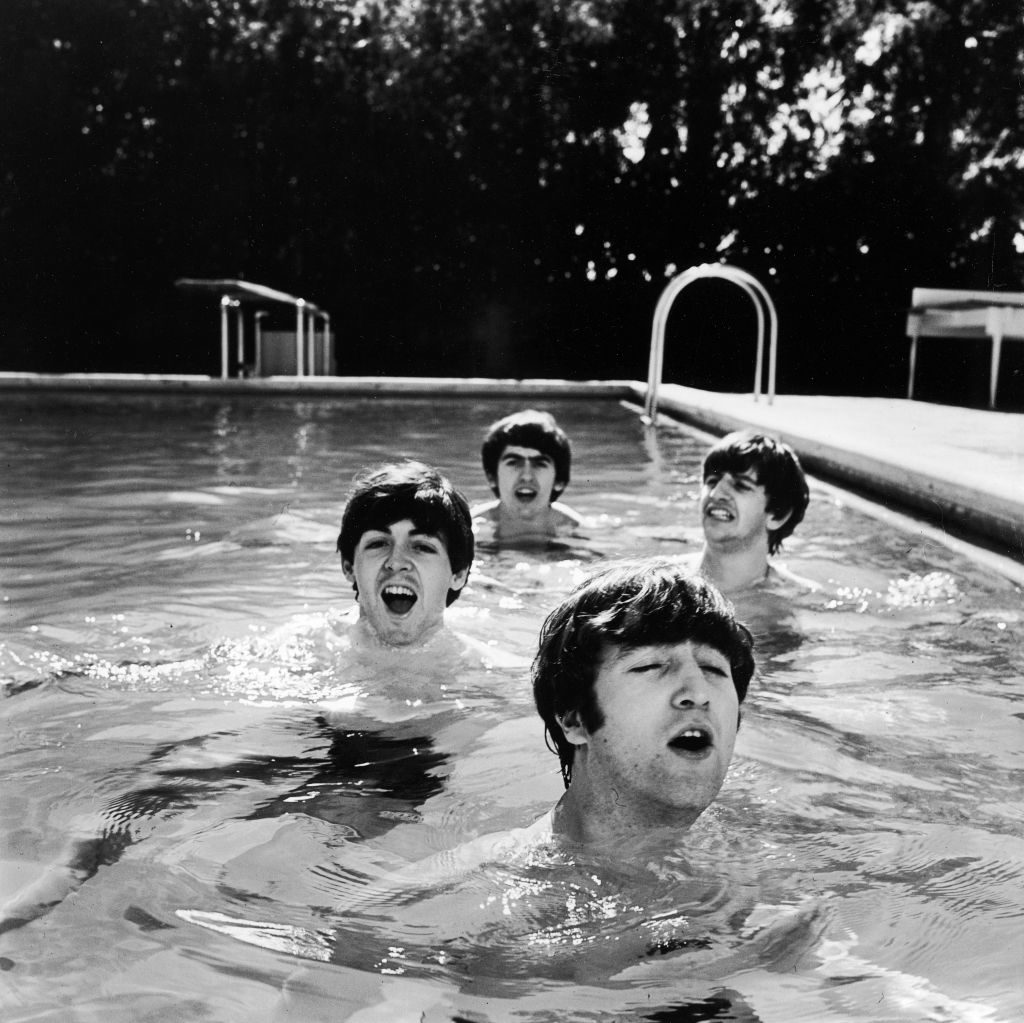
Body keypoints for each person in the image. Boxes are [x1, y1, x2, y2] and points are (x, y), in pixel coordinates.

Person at [531, 558, 754, 853]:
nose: (699, 692)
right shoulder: (482, 885)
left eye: (713, 669)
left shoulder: (776, 874)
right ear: (574, 720)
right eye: (651, 665)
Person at [691, 430, 813, 595]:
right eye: (712, 481)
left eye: (740, 485)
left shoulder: (795, 598)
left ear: (778, 515)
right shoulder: (659, 583)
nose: (716, 493)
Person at [473, 409, 582, 542]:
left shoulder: (576, 529)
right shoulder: (470, 528)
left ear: (558, 480)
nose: (526, 476)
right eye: (513, 462)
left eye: (540, 464)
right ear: (492, 477)